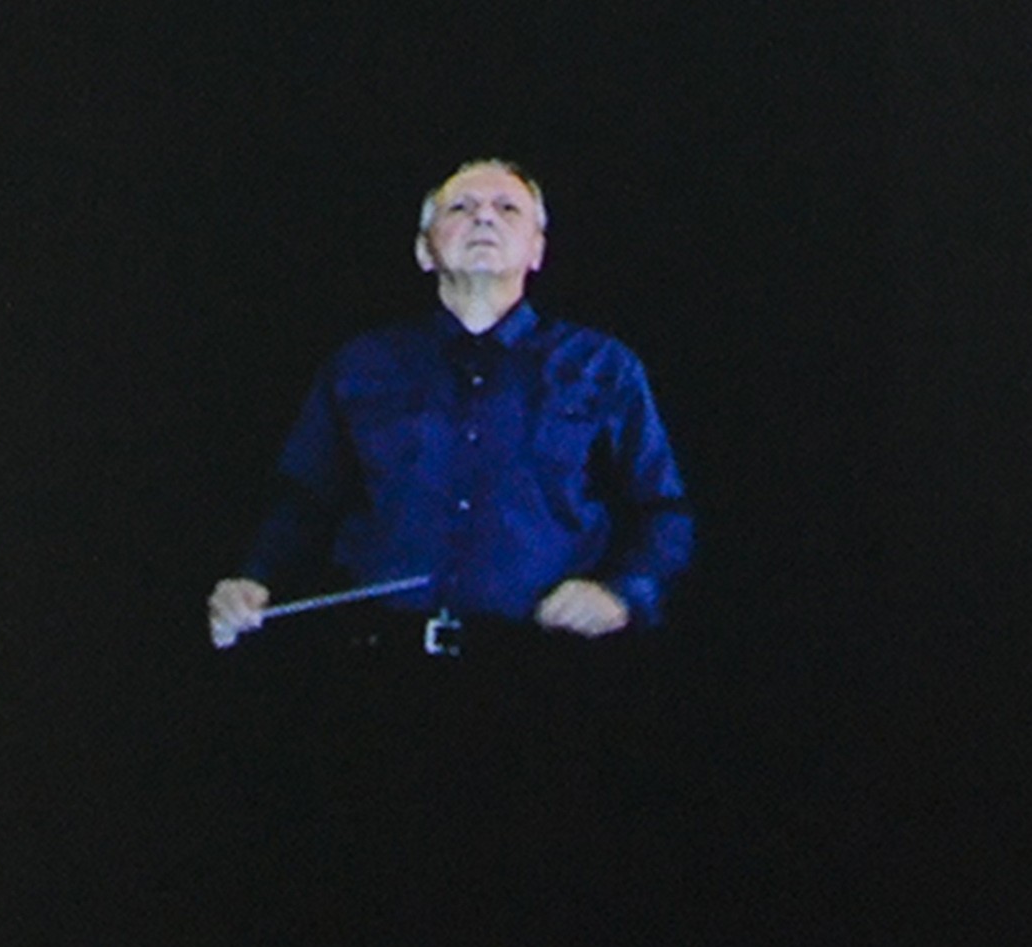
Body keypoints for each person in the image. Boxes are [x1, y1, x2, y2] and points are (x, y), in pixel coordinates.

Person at [207, 161, 692, 650]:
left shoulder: (601, 366)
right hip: (379, 657)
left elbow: (664, 513)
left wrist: (621, 595)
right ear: (424, 250)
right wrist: (253, 579)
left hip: (543, 658)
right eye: (461, 207)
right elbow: (302, 502)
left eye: (507, 208)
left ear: (537, 250)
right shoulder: (360, 366)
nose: (484, 217)